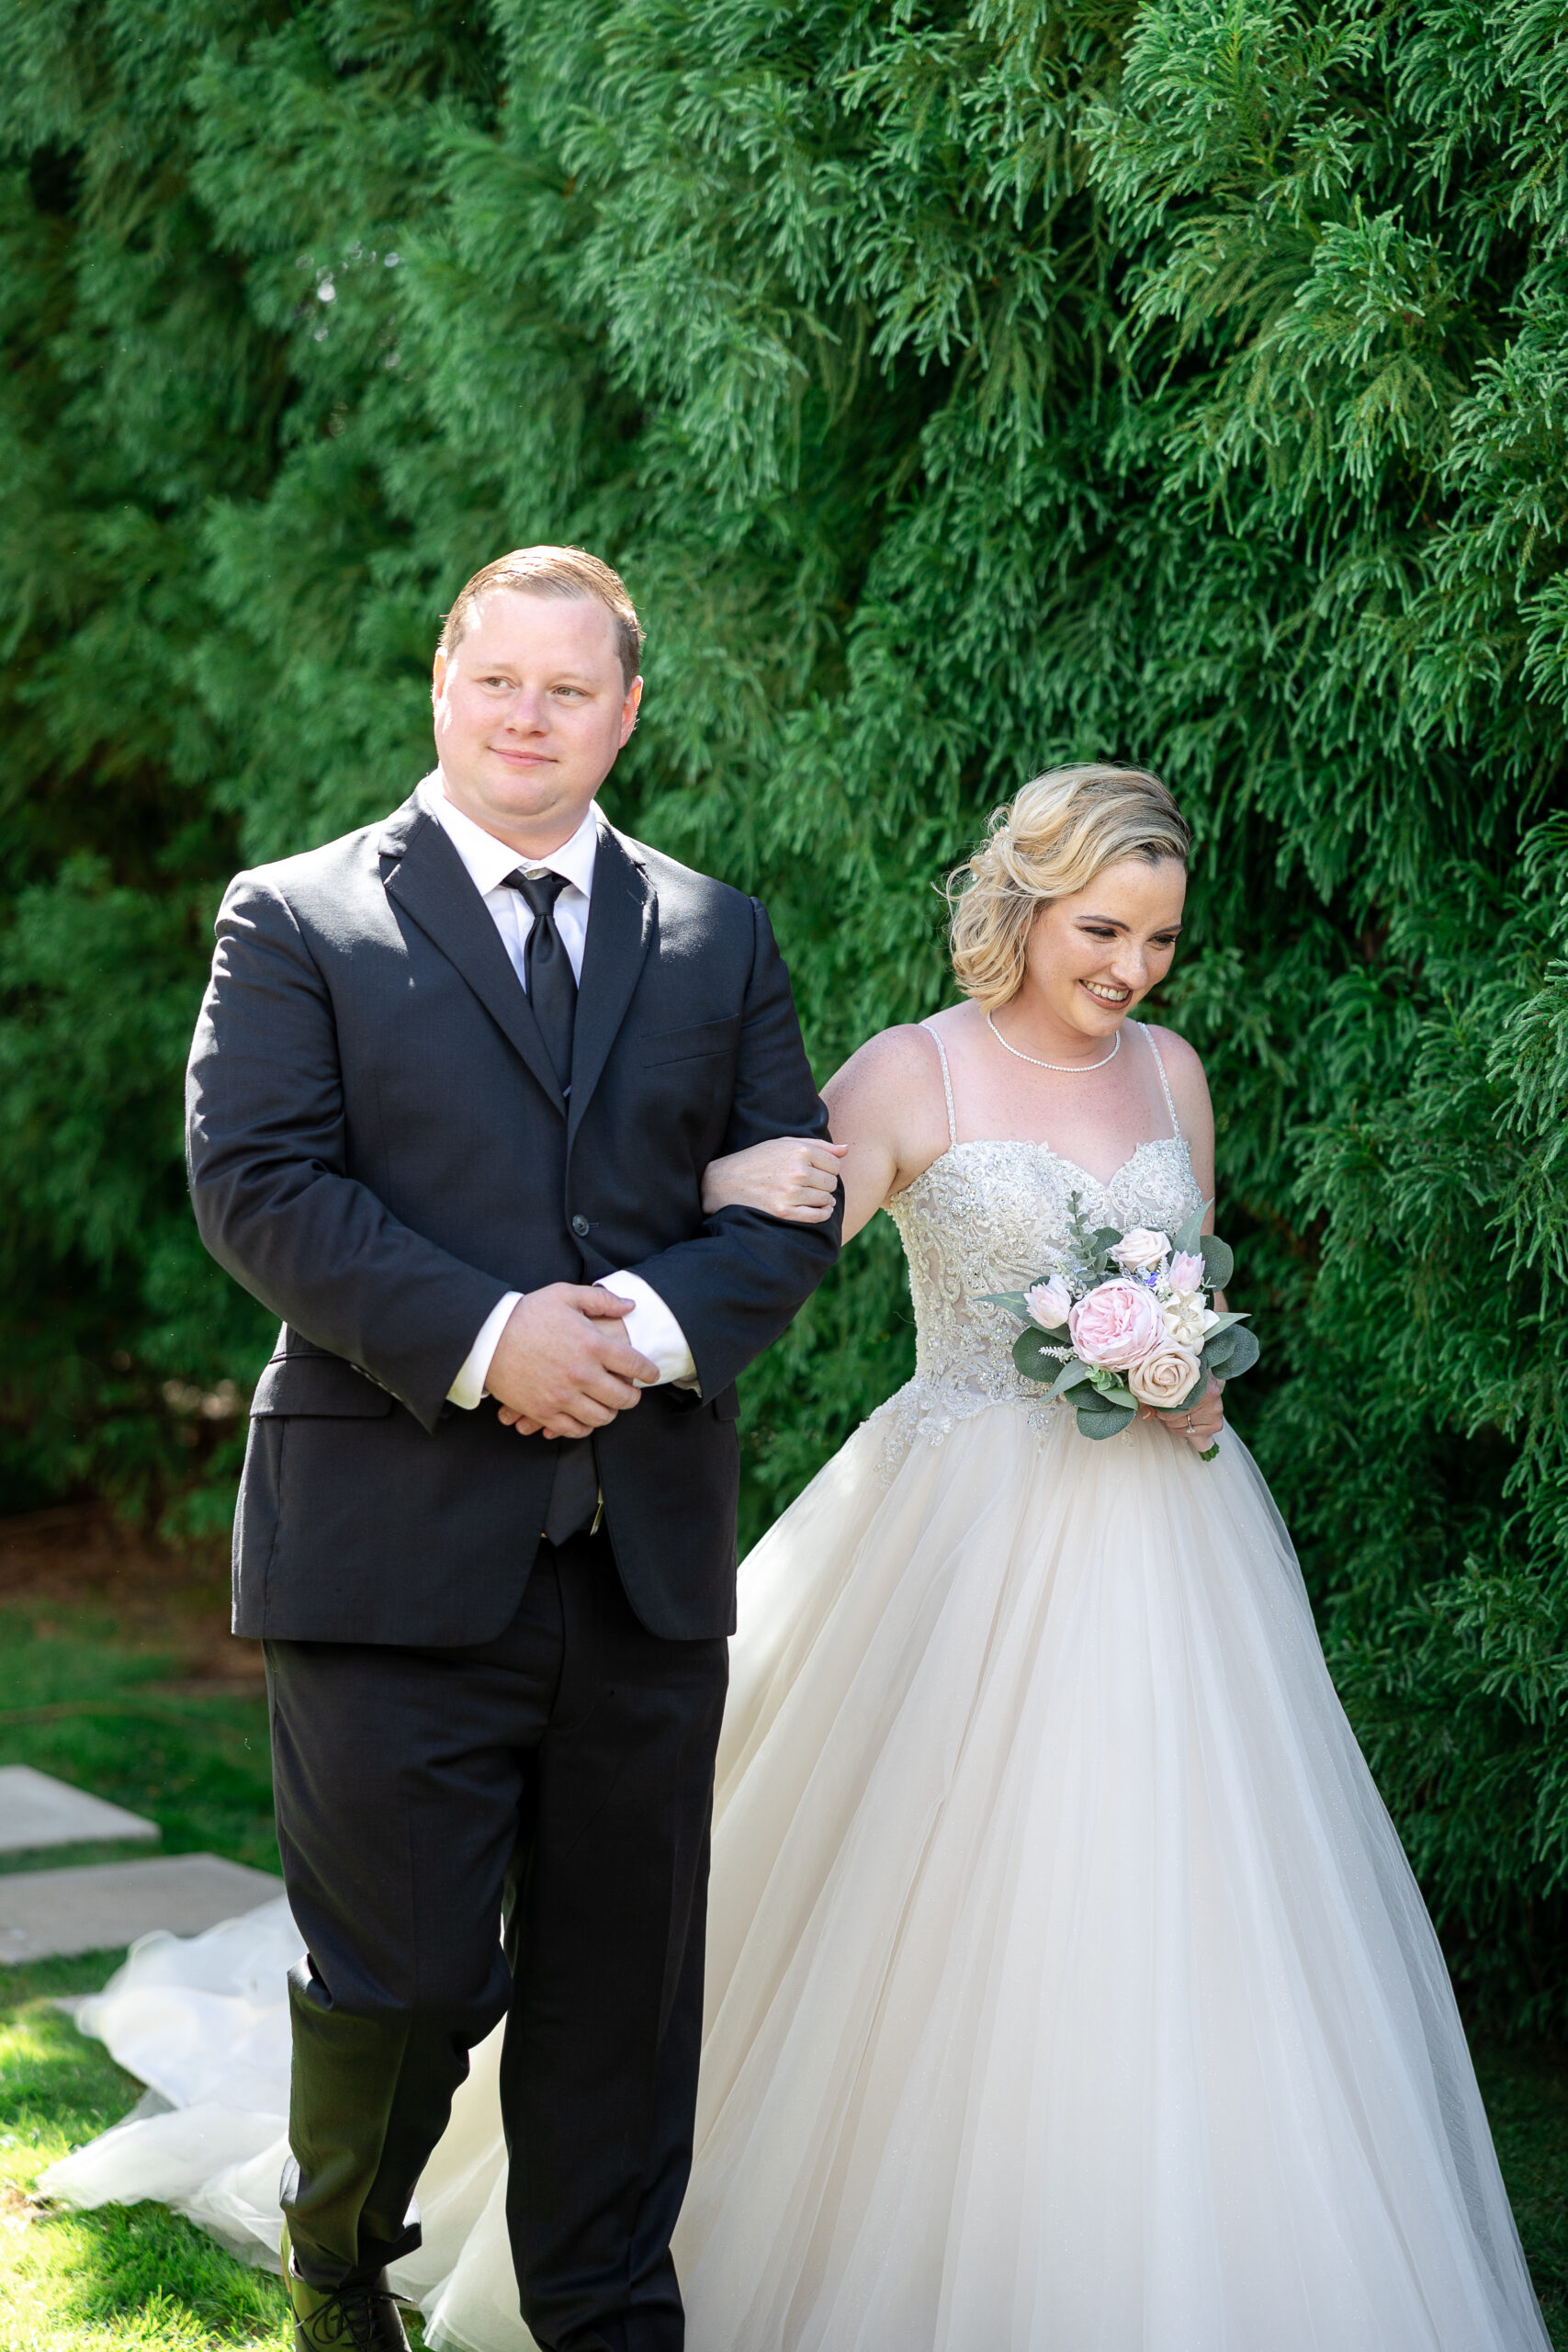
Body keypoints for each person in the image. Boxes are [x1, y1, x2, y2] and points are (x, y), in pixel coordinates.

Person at [48, 764, 1550, 2351]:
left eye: (1162, 940)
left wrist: (1184, 1362)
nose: (1132, 968)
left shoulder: (1173, 1076)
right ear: (1027, 907)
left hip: (1180, 1543)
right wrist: (681, 1230)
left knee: (1194, 1883)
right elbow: (757, 1232)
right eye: (1104, 928)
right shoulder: (914, 1074)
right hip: (962, 1530)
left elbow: (1179, 1271)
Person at [178, 545, 841, 2352]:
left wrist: (615, 1326)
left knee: (621, 1994)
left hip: (640, 1552)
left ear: (625, 710)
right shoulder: (298, 916)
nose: (531, 714)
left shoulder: (716, 933)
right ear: (442, 688)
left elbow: (788, 1200)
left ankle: (610, 2313)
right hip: (384, 1541)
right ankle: (339, 2270)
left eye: (572, 686)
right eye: (500, 680)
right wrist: (487, 1344)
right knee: (401, 1981)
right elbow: (258, 1184)